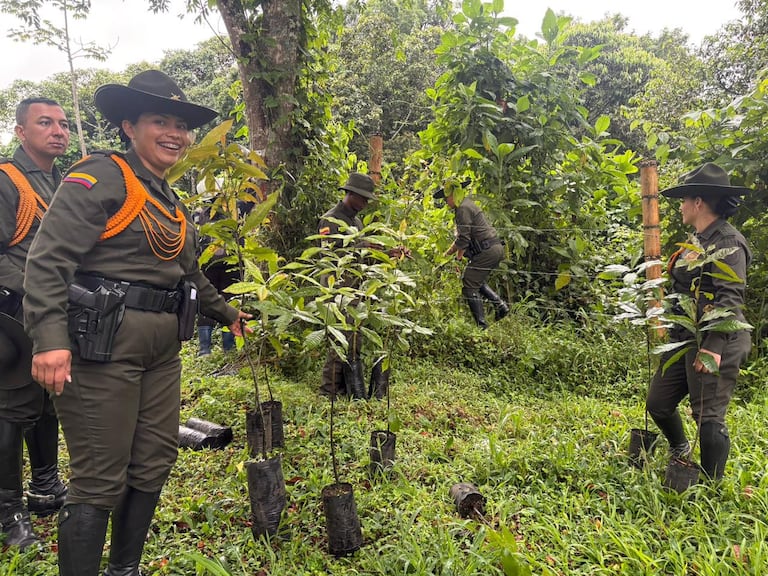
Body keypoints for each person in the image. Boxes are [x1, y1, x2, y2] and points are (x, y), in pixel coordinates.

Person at [22, 70, 250, 575]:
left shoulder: (170, 200)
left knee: (153, 462)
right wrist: (50, 340)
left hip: (162, 354)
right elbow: (49, 260)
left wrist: (230, 314)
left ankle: (124, 569)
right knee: (100, 475)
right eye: (160, 121)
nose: (175, 133)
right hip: (102, 349)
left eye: (181, 125)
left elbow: (188, 275)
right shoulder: (103, 175)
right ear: (129, 126)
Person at [646, 162, 752, 480]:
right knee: (658, 401)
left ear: (698, 202)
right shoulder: (698, 240)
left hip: (718, 340)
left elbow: (730, 298)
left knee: (707, 416)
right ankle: (680, 448)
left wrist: (713, 346)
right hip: (686, 337)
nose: (680, 207)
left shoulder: (728, 244)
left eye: (683, 200)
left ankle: (711, 484)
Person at [0, 97, 70, 549]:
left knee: (46, 399)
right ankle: (8, 511)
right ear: (21, 131)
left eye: (62, 124)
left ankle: (46, 486)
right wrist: (34, 287)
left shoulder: (60, 182)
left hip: (52, 310)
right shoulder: (7, 181)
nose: (58, 131)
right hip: (12, 312)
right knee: (10, 409)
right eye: (45, 123)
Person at [434, 182, 508, 329]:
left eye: (446, 198)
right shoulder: (466, 205)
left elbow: (463, 239)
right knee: (475, 278)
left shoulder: (463, 208)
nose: (446, 202)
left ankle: (482, 326)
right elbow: (462, 238)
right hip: (493, 248)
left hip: (487, 249)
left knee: (469, 282)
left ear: (453, 195)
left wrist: (455, 257)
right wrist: (451, 254)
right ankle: (500, 306)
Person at [193, 179, 238, 356]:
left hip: (207, 263)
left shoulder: (198, 213)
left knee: (206, 303)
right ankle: (228, 348)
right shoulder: (232, 210)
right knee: (230, 301)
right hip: (230, 263)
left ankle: (205, 349)